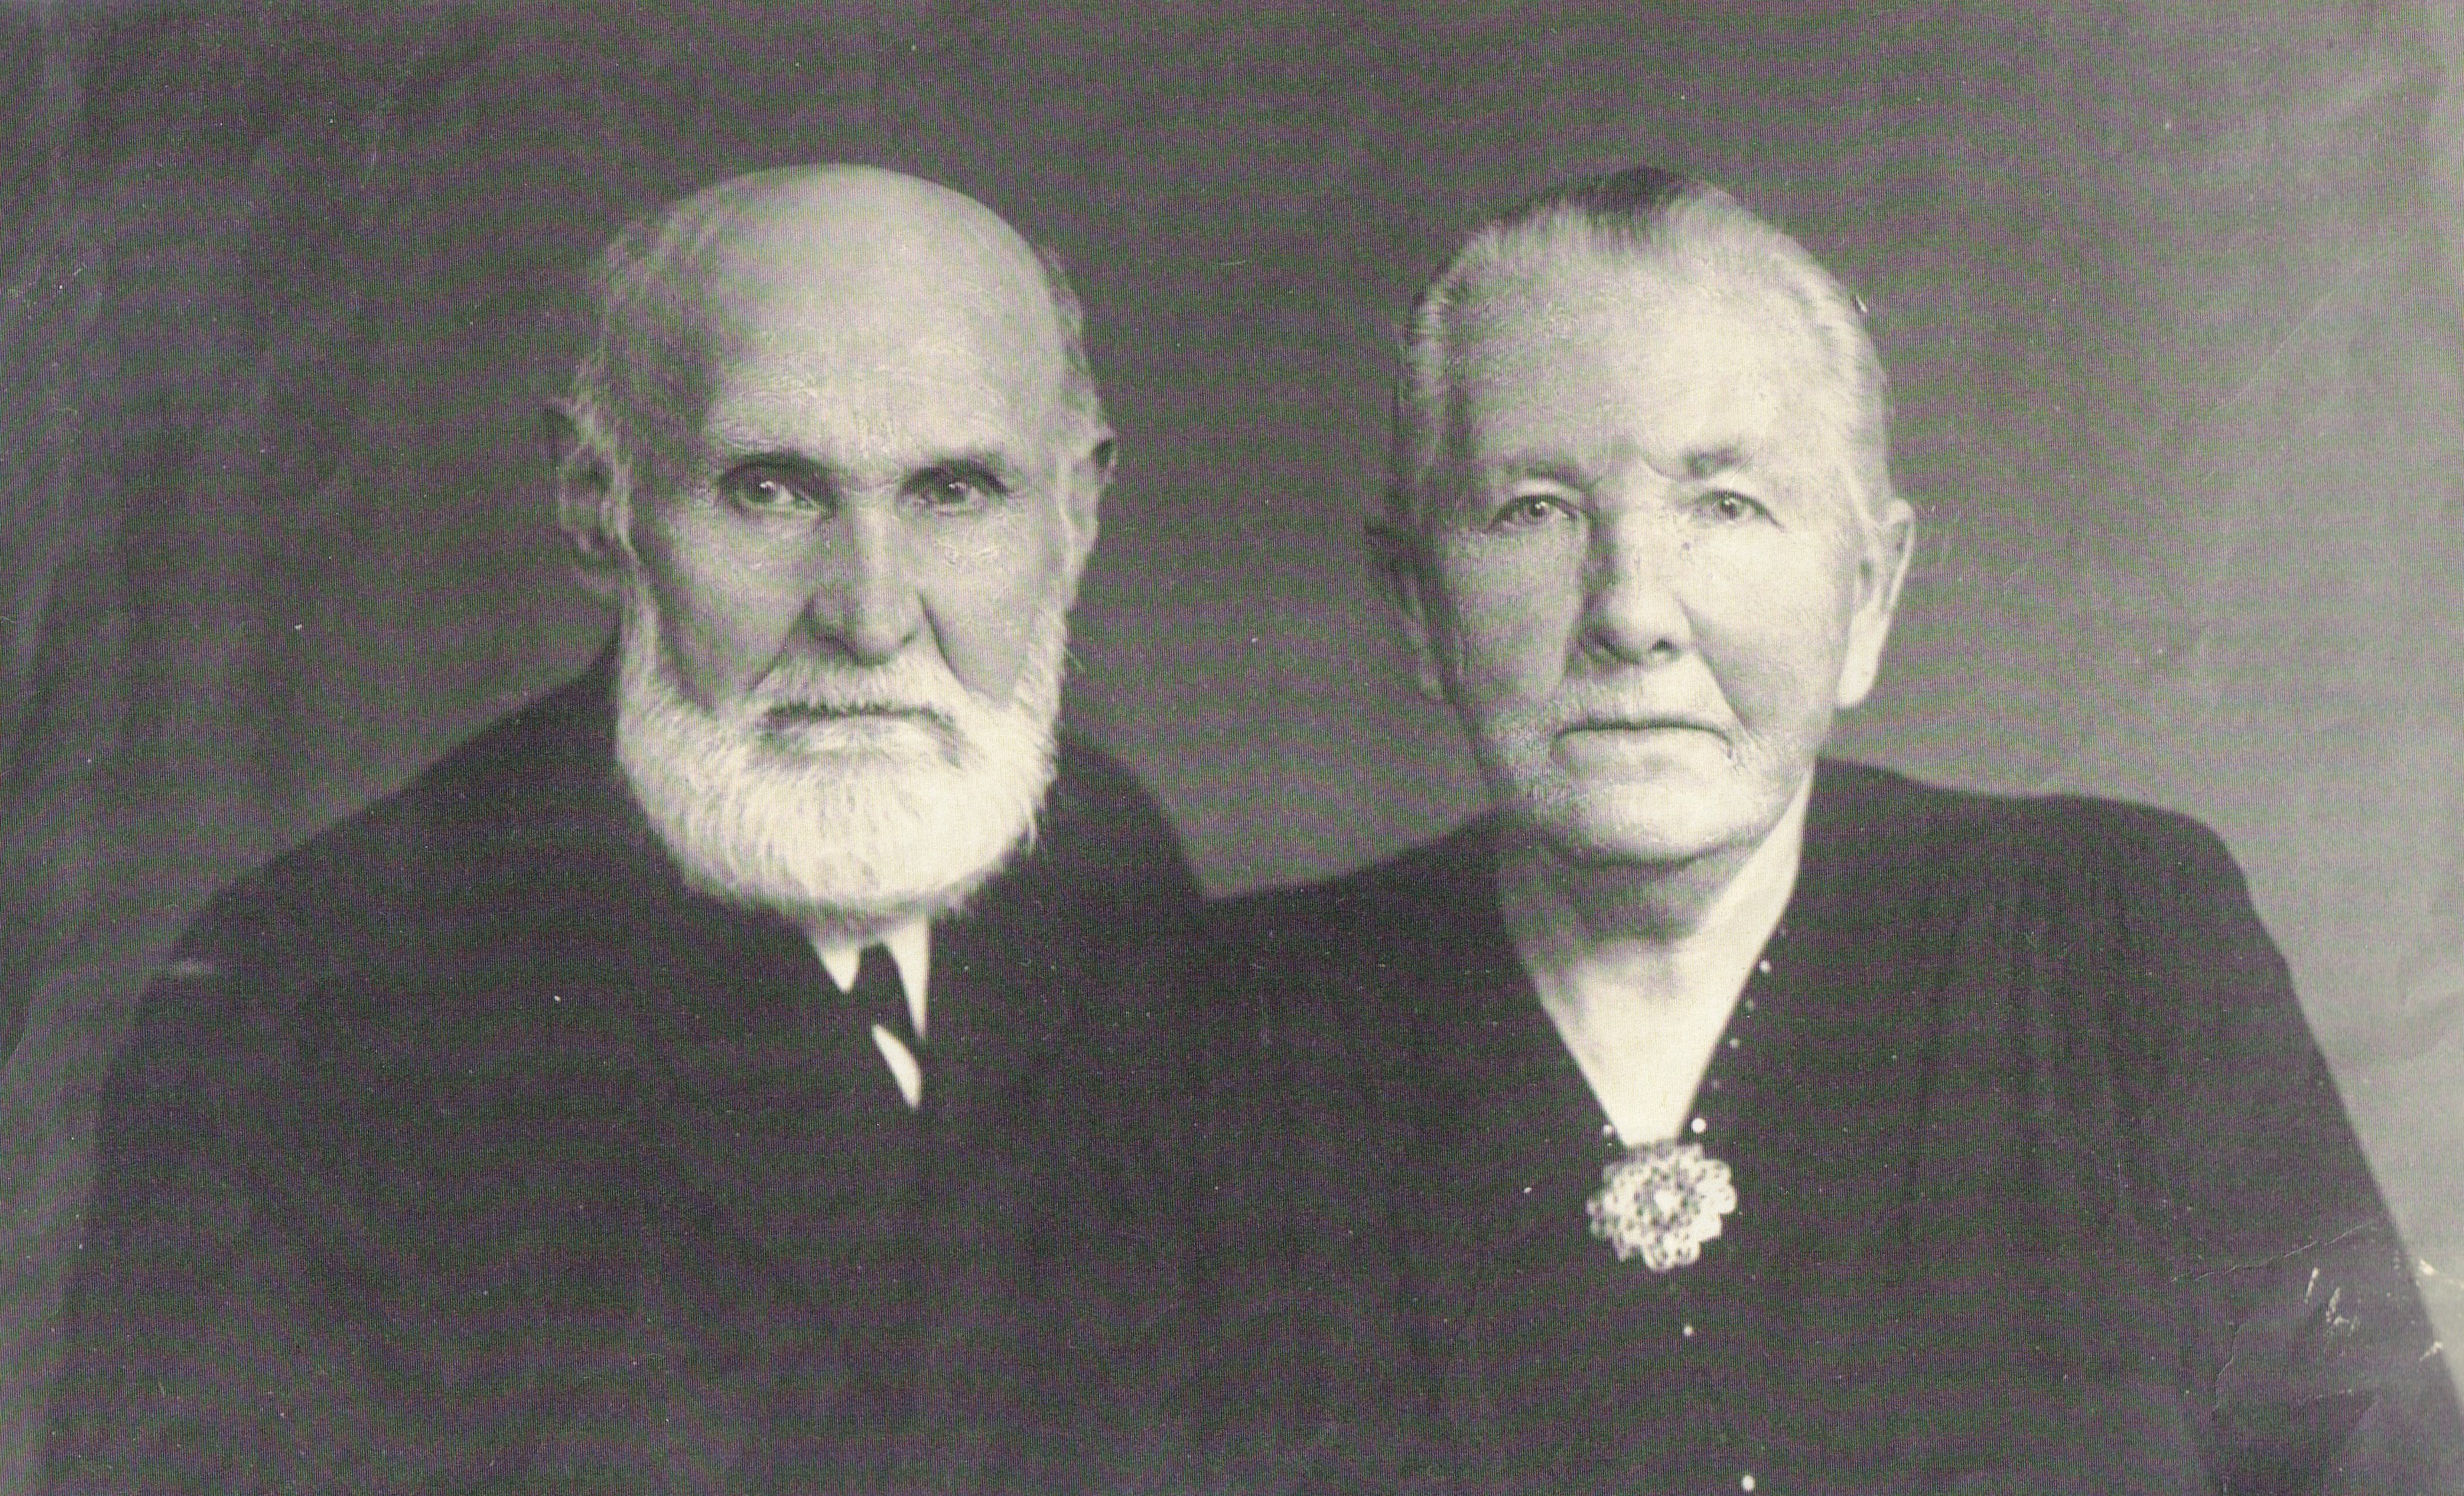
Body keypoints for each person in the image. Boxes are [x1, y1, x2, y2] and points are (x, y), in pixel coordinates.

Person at [1196, 165, 2464, 1494]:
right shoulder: (1236, 1031)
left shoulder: (2116, 938)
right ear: (1415, 604)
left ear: (1868, 593)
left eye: (1724, 504)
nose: (1632, 612)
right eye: (1536, 511)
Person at [46, 165, 1202, 1494]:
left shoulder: (1103, 862)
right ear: (598, 505)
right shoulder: (308, 1010)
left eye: (954, 492)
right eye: (772, 490)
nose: (870, 615)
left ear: (1075, 516)